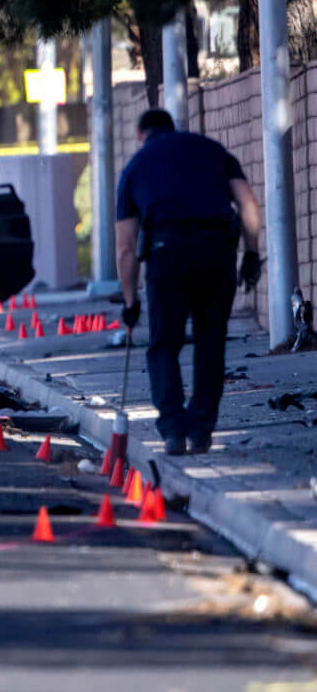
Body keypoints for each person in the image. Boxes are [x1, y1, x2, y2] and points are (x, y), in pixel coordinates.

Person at [114, 107, 263, 455]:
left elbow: (124, 246)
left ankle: (173, 432)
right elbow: (248, 203)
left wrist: (130, 302)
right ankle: (201, 430)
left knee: (164, 344)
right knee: (211, 343)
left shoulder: (136, 166)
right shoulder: (212, 150)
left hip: (167, 254)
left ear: (141, 135)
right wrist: (251, 252)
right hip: (216, 251)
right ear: (173, 128)